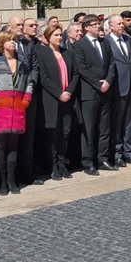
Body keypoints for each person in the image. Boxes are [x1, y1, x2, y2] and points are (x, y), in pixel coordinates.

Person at [0, 32, 32, 195]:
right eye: (9, 40)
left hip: (17, 107)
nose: (13, 43)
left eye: (14, 40)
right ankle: (3, 182)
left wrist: (26, 99)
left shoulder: (22, 63)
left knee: (13, 144)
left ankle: (12, 180)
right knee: (0, 144)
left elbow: (29, 83)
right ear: (2, 44)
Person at [71, 17, 115, 174]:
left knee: (104, 128)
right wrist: (98, 84)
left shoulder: (105, 42)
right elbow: (82, 68)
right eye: (94, 25)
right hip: (89, 92)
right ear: (86, 28)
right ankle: (88, 161)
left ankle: (103, 159)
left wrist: (108, 81)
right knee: (88, 130)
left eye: (98, 24)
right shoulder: (79, 45)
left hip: (106, 91)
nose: (98, 27)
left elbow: (111, 63)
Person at [35, 26, 76, 180]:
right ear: (48, 37)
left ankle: (62, 163)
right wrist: (59, 93)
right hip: (51, 99)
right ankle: (53, 165)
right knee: (53, 133)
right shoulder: (42, 53)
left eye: (60, 35)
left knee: (65, 132)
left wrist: (69, 91)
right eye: (55, 35)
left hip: (67, 98)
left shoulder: (67, 52)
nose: (59, 37)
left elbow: (75, 74)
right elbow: (43, 77)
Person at [106, 15, 131, 166]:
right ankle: (117, 153)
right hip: (117, 87)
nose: (121, 26)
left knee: (128, 122)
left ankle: (128, 152)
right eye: (118, 23)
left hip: (130, 86)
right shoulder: (106, 42)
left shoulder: (128, 40)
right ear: (111, 26)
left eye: (122, 23)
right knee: (117, 122)